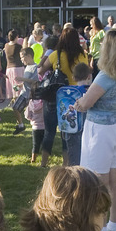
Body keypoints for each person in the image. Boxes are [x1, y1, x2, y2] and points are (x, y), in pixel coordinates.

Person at [75, 29, 116, 231]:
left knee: (97, 181)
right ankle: (113, 223)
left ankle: (99, 228)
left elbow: (86, 103)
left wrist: (79, 103)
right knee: (113, 178)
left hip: (102, 129)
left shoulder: (106, 75)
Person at [38, 28, 89, 167]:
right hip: (75, 98)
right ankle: (67, 163)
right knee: (68, 132)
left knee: (49, 131)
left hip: (55, 96)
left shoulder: (56, 54)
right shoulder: (82, 55)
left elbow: (40, 70)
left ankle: (43, 162)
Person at [12, 47, 39, 134]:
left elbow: (35, 81)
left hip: (29, 94)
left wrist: (22, 79)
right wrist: (19, 85)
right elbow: (27, 81)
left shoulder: (35, 67)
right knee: (16, 107)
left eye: (22, 57)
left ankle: (22, 125)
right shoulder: (27, 67)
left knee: (18, 108)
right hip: (24, 92)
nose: (21, 60)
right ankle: (20, 125)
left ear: (29, 56)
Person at [4, 30, 23, 102]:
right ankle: (17, 101)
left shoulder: (6, 45)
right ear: (16, 37)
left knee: (11, 85)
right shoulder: (18, 46)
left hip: (9, 68)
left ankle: (13, 101)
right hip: (17, 67)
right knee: (17, 85)